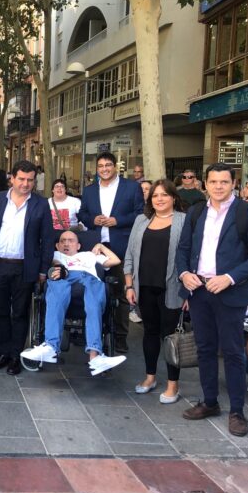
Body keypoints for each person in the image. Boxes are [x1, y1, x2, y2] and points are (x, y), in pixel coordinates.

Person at [176, 162, 248, 437]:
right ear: (205, 184)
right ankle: (210, 402)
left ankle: (237, 411)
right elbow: (182, 249)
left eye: (224, 182)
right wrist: (184, 274)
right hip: (199, 291)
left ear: (233, 184)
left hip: (230, 292)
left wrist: (229, 277)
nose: (218, 186)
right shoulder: (195, 212)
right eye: (213, 181)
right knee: (204, 349)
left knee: (232, 352)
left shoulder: (247, 214)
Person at [20, 230, 126, 375]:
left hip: (89, 278)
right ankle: (50, 346)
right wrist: (59, 268)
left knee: (94, 304)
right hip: (64, 276)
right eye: (62, 241)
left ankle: (95, 356)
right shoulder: (55, 255)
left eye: (71, 240)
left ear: (78, 246)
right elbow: (53, 264)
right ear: (57, 246)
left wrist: (101, 246)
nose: (66, 243)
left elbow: (116, 260)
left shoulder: (89, 255)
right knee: (56, 288)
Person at [0, 160, 55, 375]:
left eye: (30, 180)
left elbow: (47, 239)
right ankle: (3, 353)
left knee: (20, 313)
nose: (25, 184)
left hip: (25, 267)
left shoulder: (41, 204)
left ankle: (16, 355)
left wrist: (43, 270)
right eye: (21, 179)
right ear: (12, 178)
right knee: (0, 312)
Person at [124, 180, 186, 404]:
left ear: (173, 197)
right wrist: (129, 285)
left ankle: (173, 384)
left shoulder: (184, 220)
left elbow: (191, 256)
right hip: (144, 287)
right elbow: (130, 255)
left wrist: (188, 292)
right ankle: (150, 377)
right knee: (149, 332)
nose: (159, 199)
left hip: (173, 289)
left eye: (164, 195)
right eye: (155, 195)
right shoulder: (141, 220)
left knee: (170, 337)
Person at [79, 151, 144, 353]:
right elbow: (82, 213)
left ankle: (120, 337)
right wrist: (92, 220)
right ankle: (92, 333)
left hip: (121, 247)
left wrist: (118, 221)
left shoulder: (131, 187)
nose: (104, 169)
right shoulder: (89, 190)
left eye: (108, 165)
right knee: (93, 290)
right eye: (100, 166)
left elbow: (140, 213)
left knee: (121, 294)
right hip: (95, 248)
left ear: (115, 167)